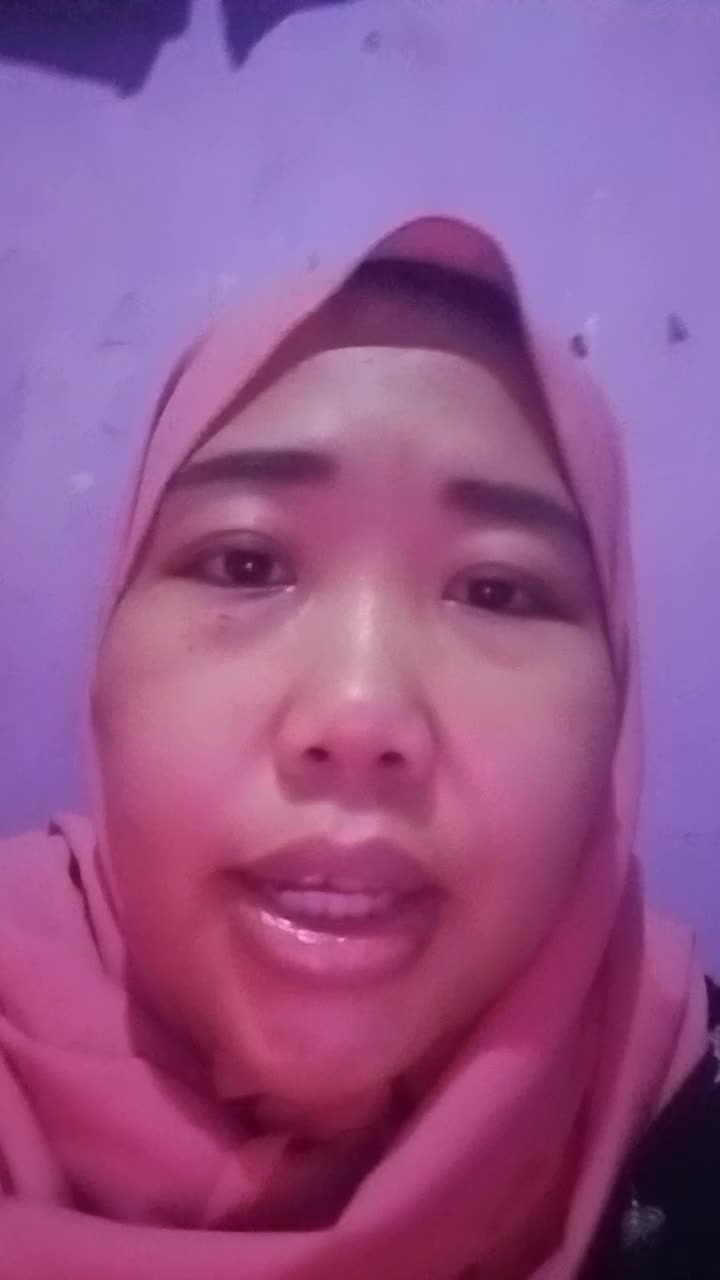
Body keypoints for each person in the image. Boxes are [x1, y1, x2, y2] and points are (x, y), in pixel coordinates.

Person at [0, 215, 717, 1280]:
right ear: (103, 657)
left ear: (616, 712)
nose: (360, 714)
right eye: (245, 564)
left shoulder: (679, 1116)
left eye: (497, 589)